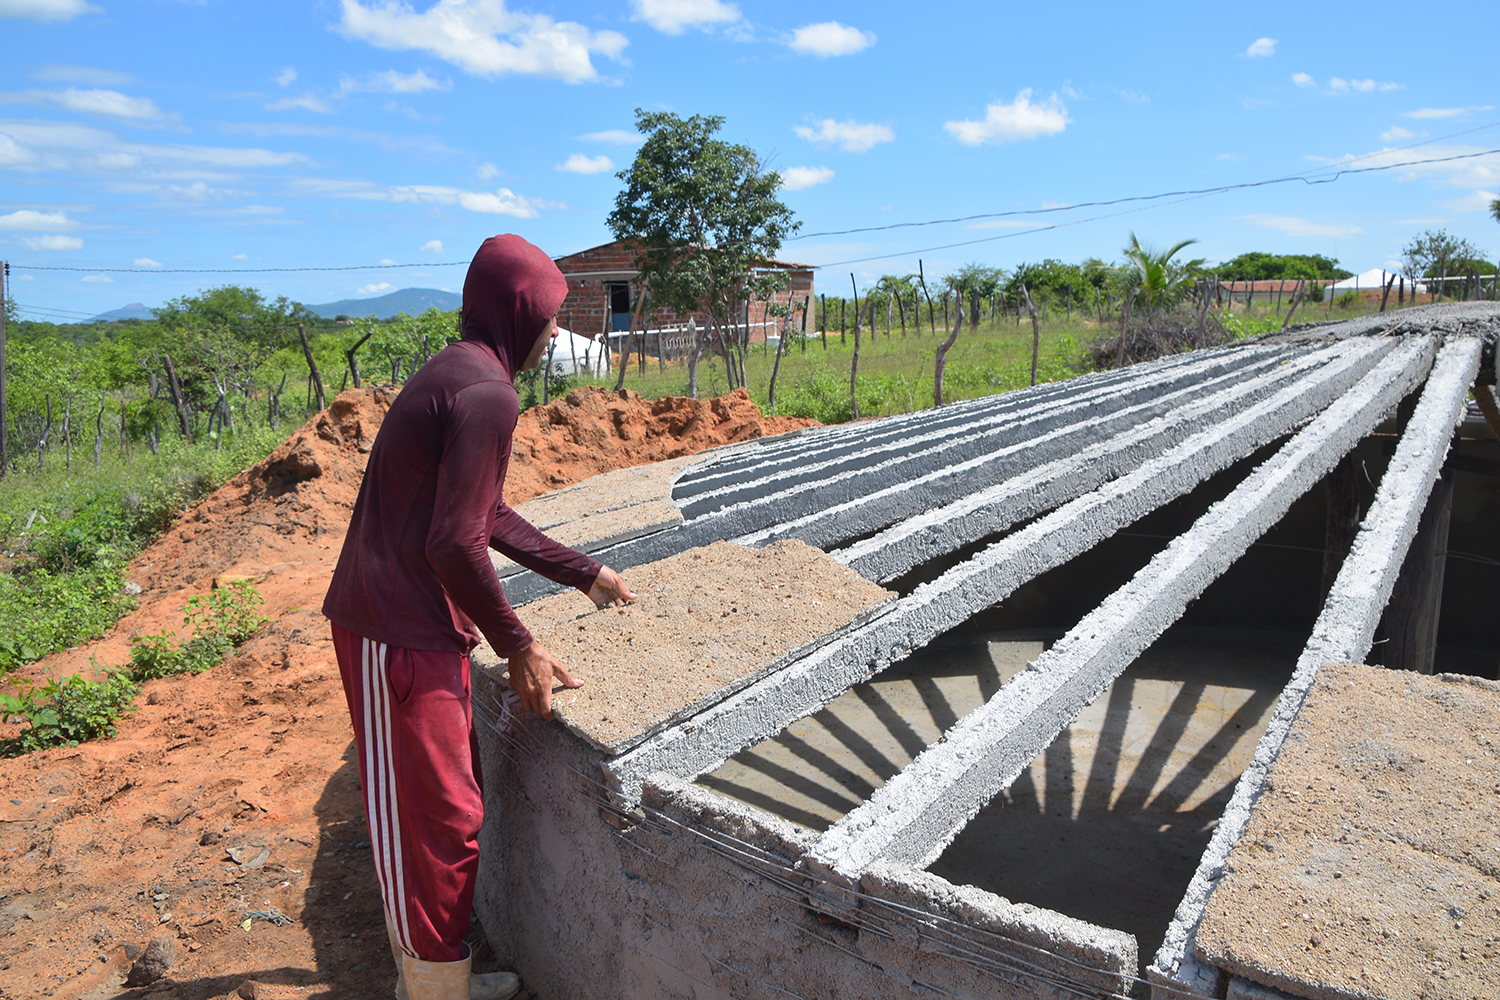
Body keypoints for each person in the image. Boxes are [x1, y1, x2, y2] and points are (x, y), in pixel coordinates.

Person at [323, 234, 636, 1000]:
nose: (553, 333)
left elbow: (480, 510)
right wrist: (520, 643)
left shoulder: (463, 371)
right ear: (519, 309)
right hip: (391, 628)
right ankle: (429, 991)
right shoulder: (486, 392)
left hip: (414, 621)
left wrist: (581, 571)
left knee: (452, 814)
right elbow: (452, 542)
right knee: (428, 822)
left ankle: (441, 979)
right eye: (550, 316)